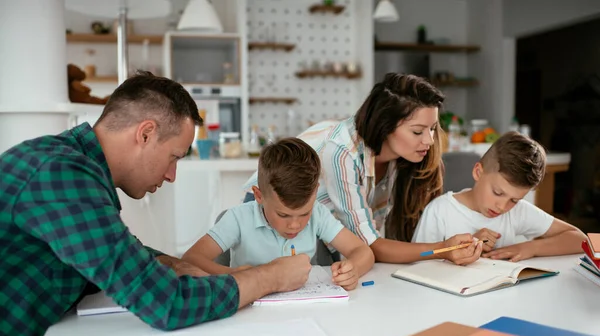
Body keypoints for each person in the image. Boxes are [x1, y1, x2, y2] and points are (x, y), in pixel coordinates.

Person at [0, 72, 311, 336]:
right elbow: (166, 303)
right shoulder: (62, 176)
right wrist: (270, 277)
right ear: (146, 133)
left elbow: (107, 249)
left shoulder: (67, 163)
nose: (172, 175)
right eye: (174, 157)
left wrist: (168, 262)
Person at [243, 73, 482, 265]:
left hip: (318, 225)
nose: (429, 141)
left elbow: (373, 239)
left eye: (432, 129)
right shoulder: (342, 151)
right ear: (385, 126)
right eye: (418, 131)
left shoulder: (401, 156)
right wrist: (443, 249)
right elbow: (370, 246)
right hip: (274, 211)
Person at [183, 138, 375, 290]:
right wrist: (233, 274)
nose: (295, 225)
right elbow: (191, 260)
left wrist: (353, 270)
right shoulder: (238, 219)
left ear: (315, 192)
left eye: (303, 213)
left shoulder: (318, 213)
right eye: (283, 215)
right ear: (258, 195)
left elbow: (363, 251)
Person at [412, 131, 586, 262]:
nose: (502, 207)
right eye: (498, 193)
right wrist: (452, 251)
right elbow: (420, 255)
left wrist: (531, 247)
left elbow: (580, 239)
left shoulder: (517, 212)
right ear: (478, 172)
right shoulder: (440, 210)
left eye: (514, 200)